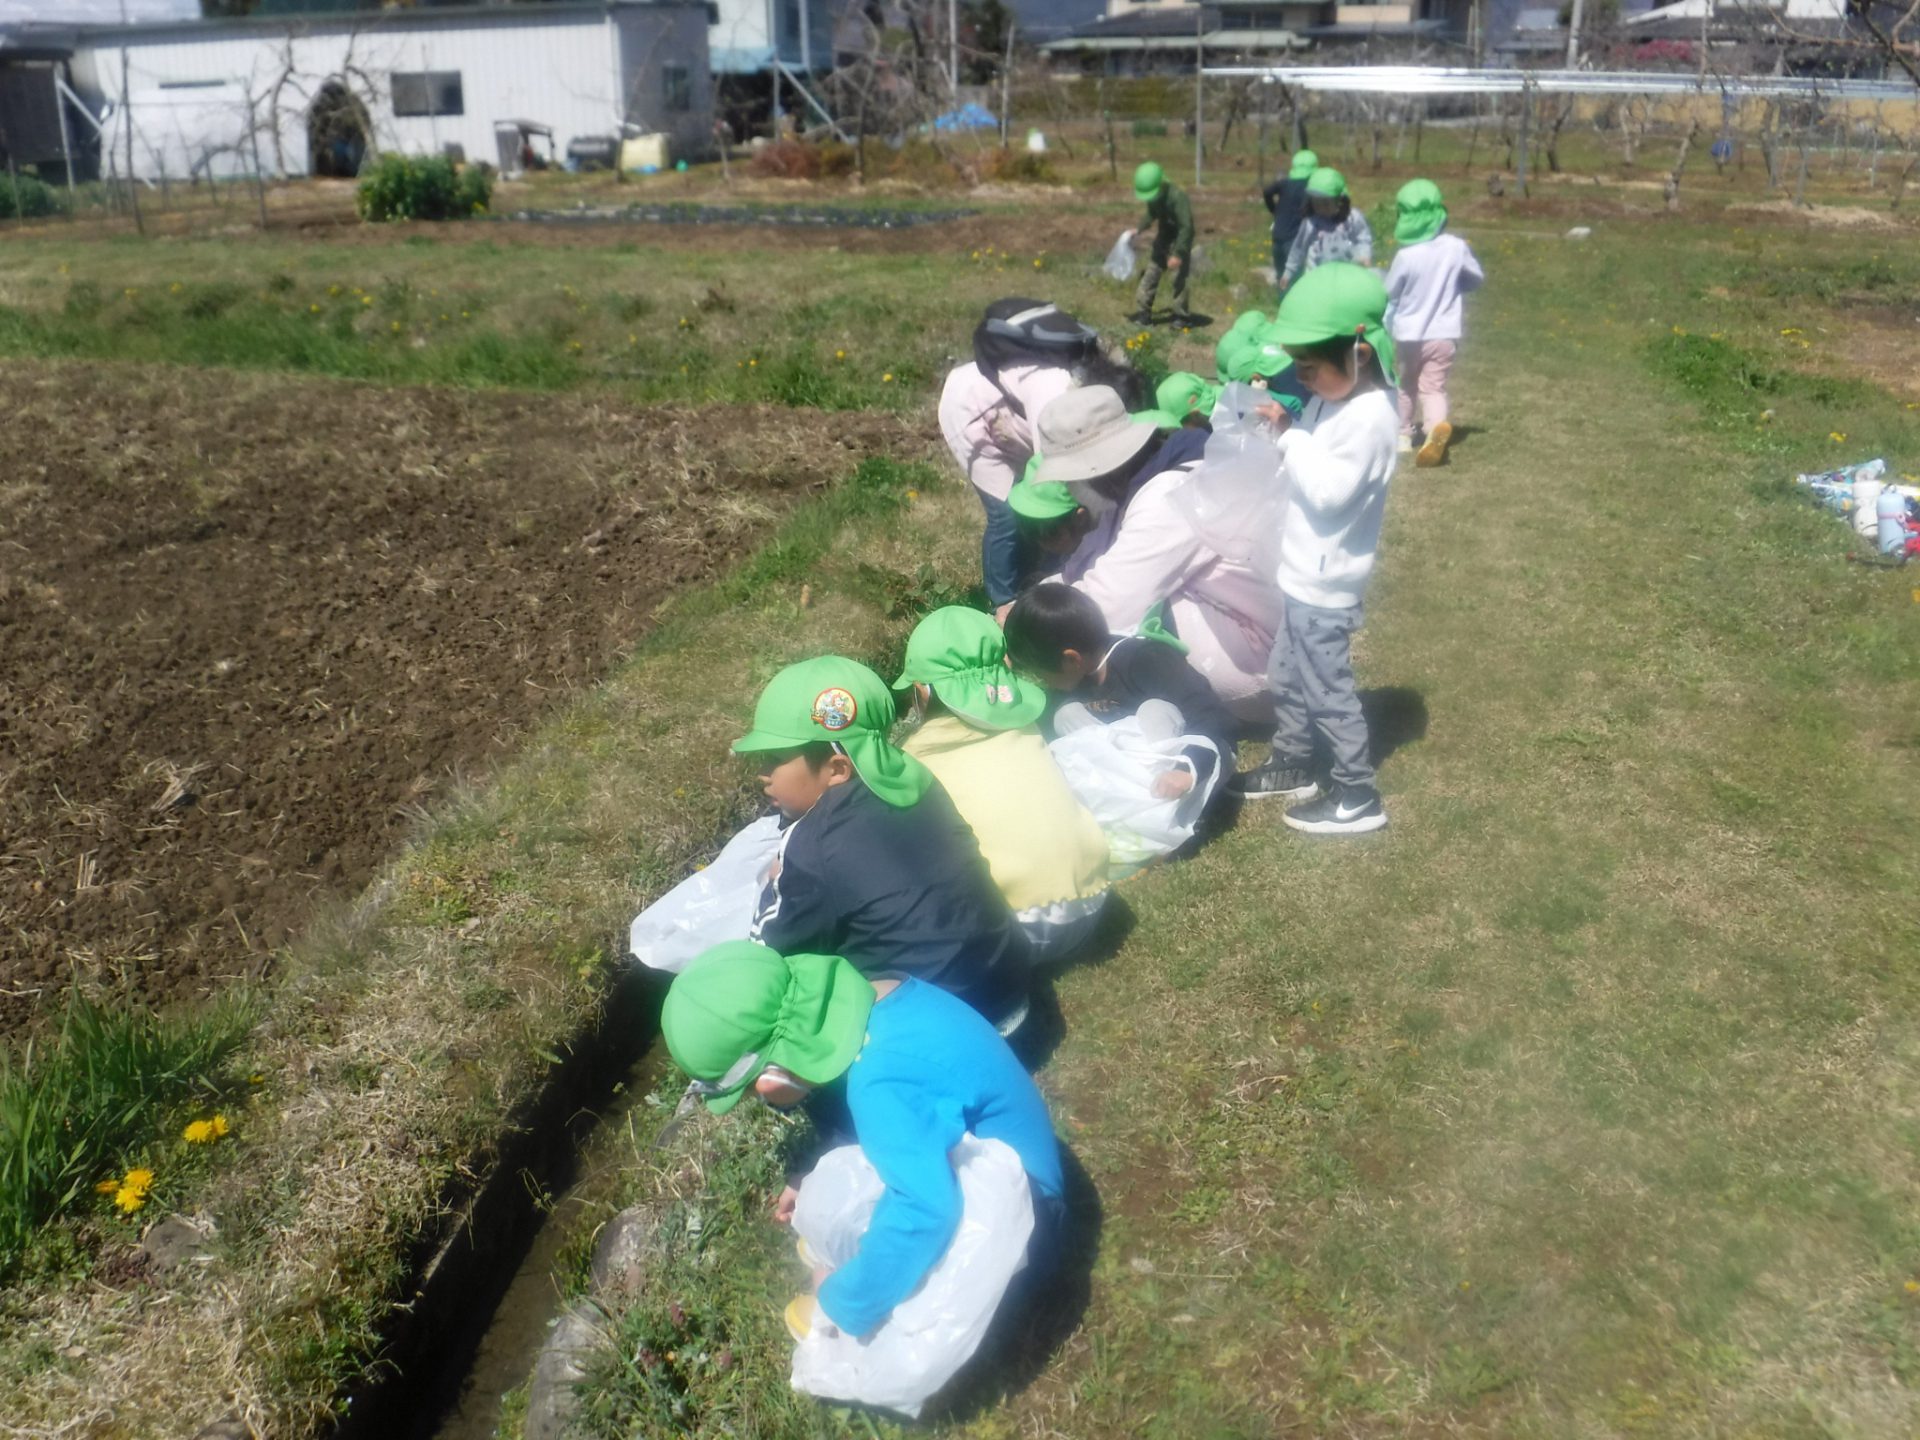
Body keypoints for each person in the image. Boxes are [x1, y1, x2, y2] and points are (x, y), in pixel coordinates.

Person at [660, 940, 1065, 1342]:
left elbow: (927, 1210)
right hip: (1011, 1161)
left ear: (771, 1079)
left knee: (888, 1285)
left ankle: (858, 1296)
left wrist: (841, 1302)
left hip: (1029, 1218)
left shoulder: (877, 1084)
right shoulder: (880, 996)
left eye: (754, 1093)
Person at [734, 655, 1032, 1031]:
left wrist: (775, 880)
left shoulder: (811, 843)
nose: (762, 775)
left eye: (773, 759)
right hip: (1009, 991)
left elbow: (771, 950)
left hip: (940, 1033)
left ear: (837, 769)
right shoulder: (915, 777)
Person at [1233, 264, 1399, 836]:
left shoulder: (1374, 418)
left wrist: (1293, 438)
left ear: (1358, 352)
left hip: (1326, 589)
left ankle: (1357, 793)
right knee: (1286, 676)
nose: (1301, 378)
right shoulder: (1338, 401)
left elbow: (1329, 492)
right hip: (1302, 575)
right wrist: (1292, 422)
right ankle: (1295, 760)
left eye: (1309, 367)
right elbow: (1318, 446)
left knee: (1329, 692)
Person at [895, 607, 1111, 961]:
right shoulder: (1024, 725)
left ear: (922, 690)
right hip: (1093, 900)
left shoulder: (915, 756)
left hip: (1014, 932)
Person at [1003, 582, 1239, 803]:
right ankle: (1131, 795)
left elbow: (1208, 714)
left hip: (1198, 758)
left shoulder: (1146, 659)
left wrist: (1187, 770)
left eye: (1041, 673)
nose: (1043, 682)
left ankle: (1151, 799)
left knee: (1154, 710)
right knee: (1065, 715)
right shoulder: (1076, 677)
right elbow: (1047, 725)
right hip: (1133, 766)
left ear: (1071, 659)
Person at [1384, 178, 1482, 468]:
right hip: (1444, 334)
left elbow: (1389, 291)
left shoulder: (1405, 256)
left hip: (1410, 336)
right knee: (1433, 388)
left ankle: (1403, 435)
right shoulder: (1455, 247)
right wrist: (1456, 285)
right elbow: (1475, 277)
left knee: (1406, 385)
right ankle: (1434, 430)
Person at [1280, 169, 1373, 291]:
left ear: (1340, 200)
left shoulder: (1352, 218)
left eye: (1326, 203)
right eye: (1316, 204)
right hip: (1317, 278)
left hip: (1347, 275)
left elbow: (1363, 238)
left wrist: (1364, 256)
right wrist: (1288, 272)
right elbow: (1298, 248)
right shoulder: (1311, 223)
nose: (1321, 208)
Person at [1129, 162, 1194, 327]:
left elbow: (1187, 227)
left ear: (1161, 184)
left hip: (1179, 239)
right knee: (1151, 273)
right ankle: (1144, 313)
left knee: (1179, 279)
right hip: (1163, 238)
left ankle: (1181, 317)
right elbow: (1151, 213)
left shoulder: (1178, 198)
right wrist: (1139, 228)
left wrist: (1178, 253)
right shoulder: (1154, 197)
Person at [1261, 148, 1318, 289]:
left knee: (1281, 276)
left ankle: (1281, 305)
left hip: (1277, 236)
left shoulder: (1284, 183)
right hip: (1295, 239)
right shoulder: (1310, 186)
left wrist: (1274, 210)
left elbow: (1267, 191)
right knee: (1294, 278)